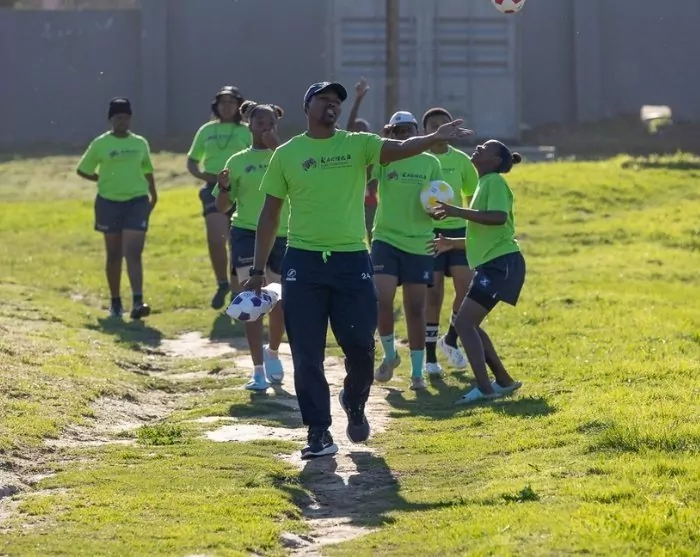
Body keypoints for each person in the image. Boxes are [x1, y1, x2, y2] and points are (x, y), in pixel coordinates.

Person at [245, 81, 471, 460]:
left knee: (361, 349)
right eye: (324, 99)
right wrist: (256, 268)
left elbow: (400, 148)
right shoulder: (287, 154)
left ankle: (354, 399)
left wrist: (433, 137)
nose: (332, 105)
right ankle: (318, 431)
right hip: (303, 261)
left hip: (351, 261)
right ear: (307, 106)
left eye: (337, 101)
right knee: (306, 352)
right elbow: (270, 214)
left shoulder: (357, 144)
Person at [432, 140, 525, 404]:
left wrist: (455, 211)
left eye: (485, 148)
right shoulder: (485, 183)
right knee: (468, 323)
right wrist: (452, 243)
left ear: (494, 161)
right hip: (494, 264)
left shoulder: (494, 181)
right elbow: (483, 235)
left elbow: (497, 217)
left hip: (501, 264)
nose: (478, 148)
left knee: (463, 324)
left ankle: (485, 388)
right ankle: (503, 381)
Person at [213, 100, 288, 391]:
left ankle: (273, 352)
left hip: (283, 234)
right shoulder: (237, 161)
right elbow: (222, 206)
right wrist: (223, 187)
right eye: (260, 123)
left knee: (279, 301)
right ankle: (257, 370)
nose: (266, 128)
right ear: (249, 125)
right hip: (246, 233)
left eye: (271, 124)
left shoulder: (285, 155)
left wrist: (278, 149)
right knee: (251, 299)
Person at [371, 111, 442, 391]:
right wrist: (382, 143)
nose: (403, 135)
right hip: (386, 239)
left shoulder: (430, 162)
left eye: (407, 130)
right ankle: (390, 356)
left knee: (415, 308)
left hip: (419, 242)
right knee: (381, 299)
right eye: (397, 131)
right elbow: (365, 171)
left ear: (417, 131)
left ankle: (416, 373)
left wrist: (437, 212)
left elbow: (438, 198)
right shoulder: (384, 158)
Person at [76, 97, 156, 320]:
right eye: (119, 117)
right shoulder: (100, 144)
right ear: (111, 119)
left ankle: (138, 301)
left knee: (133, 252)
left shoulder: (140, 143)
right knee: (113, 254)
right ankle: (115, 301)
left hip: (136, 201)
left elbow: (148, 169)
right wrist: (101, 179)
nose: (123, 121)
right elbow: (82, 169)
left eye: (126, 117)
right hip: (109, 202)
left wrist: (154, 193)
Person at [422, 107, 480, 377]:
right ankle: (430, 358)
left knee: (466, 290)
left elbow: (472, 196)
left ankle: (451, 340)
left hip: (458, 232)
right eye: (433, 125)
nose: (440, 130)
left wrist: (473, 228)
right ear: (424, 130)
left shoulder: (460, 160)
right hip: (429, 234)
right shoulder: (418, 159)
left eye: (445, 124)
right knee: (433, 295)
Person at [187, 85, 252, 310]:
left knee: (238, 242)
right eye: (223, 102)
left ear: (239, 106)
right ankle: (222, 283)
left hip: (241, 190)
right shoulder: (206, 130)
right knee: (216, 238)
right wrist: (202, 175)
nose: (227, 106)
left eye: (231, 102)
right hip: (213, 188)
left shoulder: (246, 130)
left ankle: (237, 290)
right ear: (216, 106)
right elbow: (192, 160)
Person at [344, 77, 377, 245]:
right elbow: (350, 125)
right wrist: (358, 99)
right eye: (356, 132)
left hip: (369, 202)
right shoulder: (348, 151)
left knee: (372, 232)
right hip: (350, 200)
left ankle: (374, 257)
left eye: (364, 132)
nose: (360, 135)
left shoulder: (373, 152)